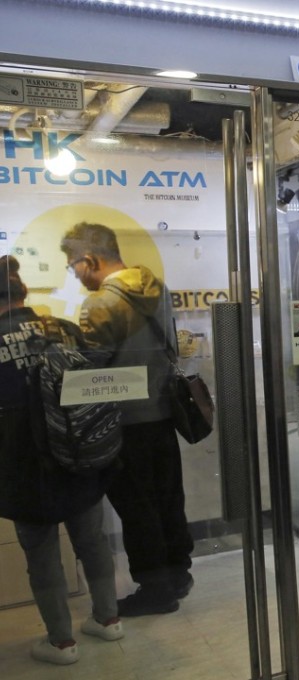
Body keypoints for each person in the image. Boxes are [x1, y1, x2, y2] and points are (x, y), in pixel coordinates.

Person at [61, 222, 194, 617]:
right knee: (169, 498)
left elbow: (92, 372)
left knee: (137, 508)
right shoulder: (159, 289)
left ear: (90, 260)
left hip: (124, 424)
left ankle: (156, 590)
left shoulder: (100, 304)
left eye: (72, 266)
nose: (74, 274)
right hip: (163, 415)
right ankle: (179, 574)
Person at [0, 255, 123, 665]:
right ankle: (108, 618)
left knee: (41, 553)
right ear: (22, 292)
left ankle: (61, 643)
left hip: (21, 468)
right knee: (91, 540)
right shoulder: (64, 330)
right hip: (79, 456)